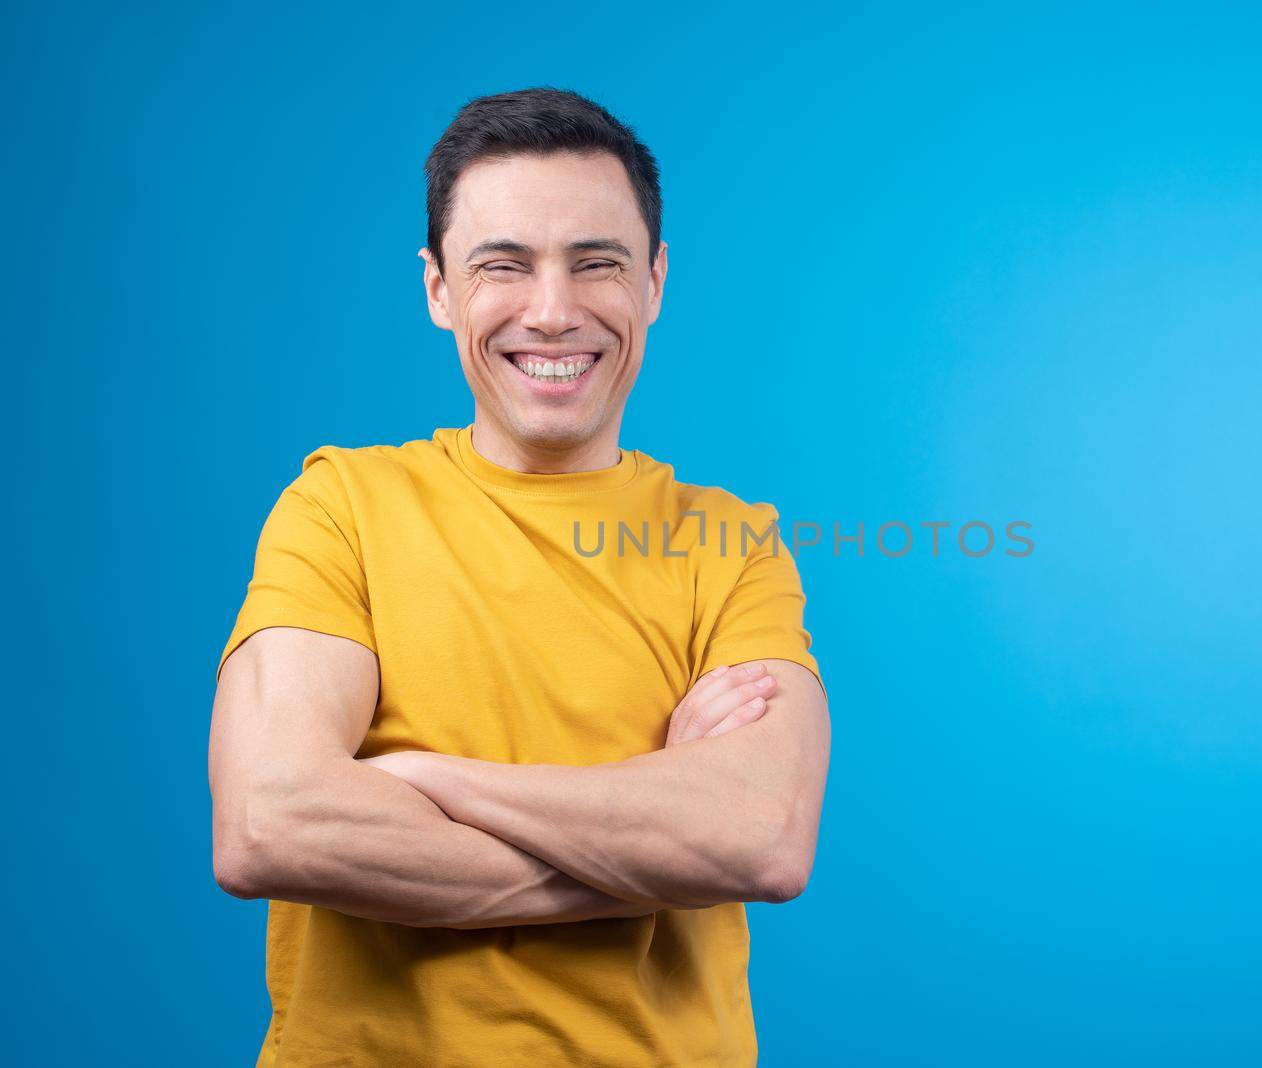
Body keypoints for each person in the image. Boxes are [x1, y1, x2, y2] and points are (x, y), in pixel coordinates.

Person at [208, 86, 830, 1067]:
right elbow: (269, 824)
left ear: (656, 282)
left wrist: (420, 780)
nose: (551, 312)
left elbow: (760, 839)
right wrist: (653, 834)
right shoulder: (340, 507)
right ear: (439, 289)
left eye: (597, 264)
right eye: (503, 265)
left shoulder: (731, 543)